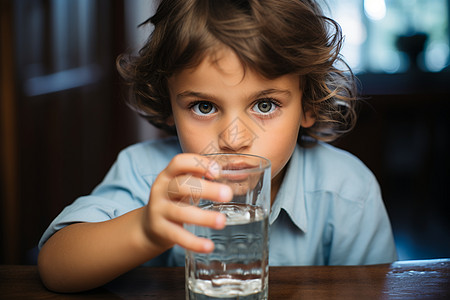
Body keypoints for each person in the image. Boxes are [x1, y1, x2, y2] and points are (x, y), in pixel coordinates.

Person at [38, 0, 397, 293]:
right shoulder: (144, 171)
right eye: (204, 107)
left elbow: (378, 290)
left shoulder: (348, 190)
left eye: (265, 105)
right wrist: (146, 228)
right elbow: (55, 268)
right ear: (169, 108)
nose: (234, 138)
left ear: (307, 106)